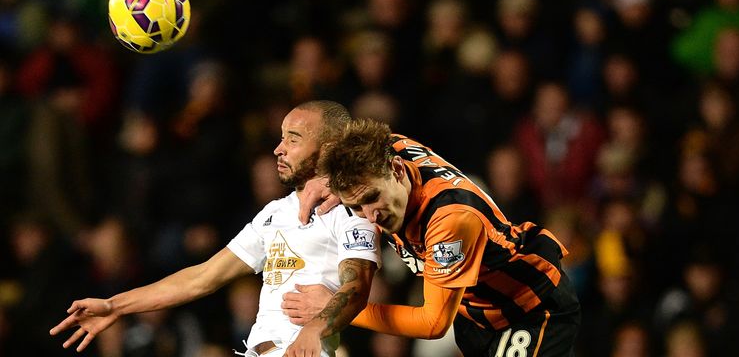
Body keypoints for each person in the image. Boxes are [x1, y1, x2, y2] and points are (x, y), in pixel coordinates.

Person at [49, 100, 381, 357]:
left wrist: (317, 327)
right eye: (281, 138)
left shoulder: (349, 207)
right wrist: (114, 306)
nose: (278, 149)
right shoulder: (274, 213)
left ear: (327, 150)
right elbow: (201, 278)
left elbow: (357, 285)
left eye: (293, 140)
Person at [283, 118, 580, 356]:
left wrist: (338, 308)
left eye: (372, 197)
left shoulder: (450, 221)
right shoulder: (386, 152)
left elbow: (434, 323)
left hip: (531, 305)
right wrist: (324, 180)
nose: (370, 215)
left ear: (398, 171)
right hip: (477, 313)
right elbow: (358, 142)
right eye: (356, 206)